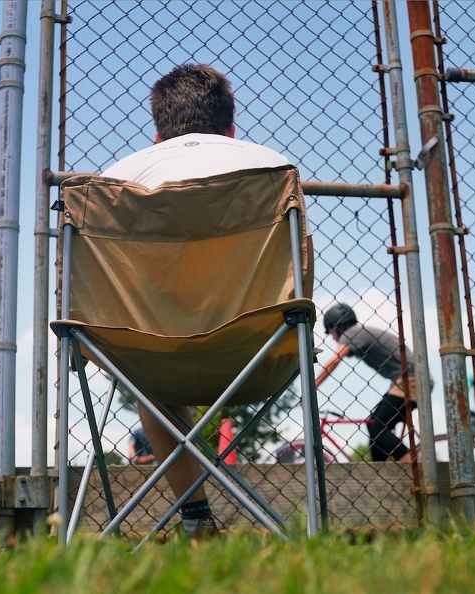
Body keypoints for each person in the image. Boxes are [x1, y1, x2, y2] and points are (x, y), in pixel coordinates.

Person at [101, 63, 313, 538]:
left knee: (153, 377)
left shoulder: (116, 182)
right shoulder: (273, 170)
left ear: (157, 135)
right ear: (232, 128)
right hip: (258, 351)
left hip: (149, 356)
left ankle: (196, 521)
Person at [316, 303, 425, 462]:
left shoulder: (352, 333)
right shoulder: (360, 332)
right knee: (373, 425)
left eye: (330, 332)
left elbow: (334, 360)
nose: (332, 338)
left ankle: (417, 471)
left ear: (337, 326)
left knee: (378, 429)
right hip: (406, 380)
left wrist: (311, 387)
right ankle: (379, 474)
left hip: (411, 380)